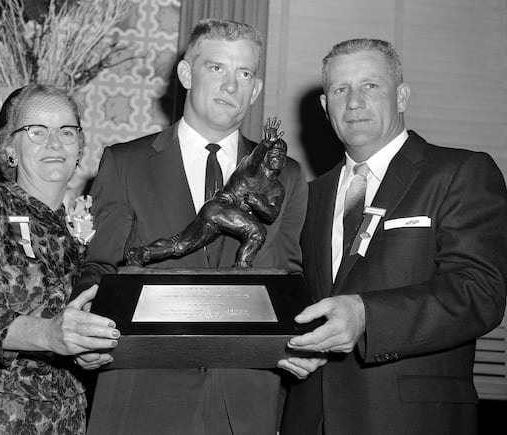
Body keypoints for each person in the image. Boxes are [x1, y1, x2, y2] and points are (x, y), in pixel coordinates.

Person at [75, 18, 308, 435]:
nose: (231, 86)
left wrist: (305, 339)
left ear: (255, 90)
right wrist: (83, 326)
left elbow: (287, 276)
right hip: (139, 397)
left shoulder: (286, 174)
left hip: (242, 401)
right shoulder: (124, 162)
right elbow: (101, 267)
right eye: (216, 68)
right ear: (186, 74)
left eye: (245, 73)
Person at [277, 38, 507, 435]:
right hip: (311, 420)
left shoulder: (459, 172)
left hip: (412, 420)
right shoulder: (308, 196)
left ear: (401, 97)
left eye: (371, 86)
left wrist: (366, 315)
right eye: (340, 90)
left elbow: (479, 292)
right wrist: (288, 347)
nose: (353, 102)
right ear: (324, 107)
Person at [0, 84, 120, 434]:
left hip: (66, 417)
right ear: (10, 149)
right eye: (37, 131)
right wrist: (47, 334)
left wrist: (90, 351)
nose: (55, 143)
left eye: (66, 131)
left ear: (79, 148)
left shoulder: (88, 226)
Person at [126, 117, 287, 268]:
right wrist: (266, 143)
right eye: (274, 154)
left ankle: (141, 253)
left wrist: (257, 202)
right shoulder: (251, 168)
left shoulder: (277, 188)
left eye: (281, 155)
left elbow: (272, 214)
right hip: (219, 207)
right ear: (266, 156)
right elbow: (255, 158)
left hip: (220, 218)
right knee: (257, 232)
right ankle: (243, 268)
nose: (277, 158)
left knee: (181, 245)